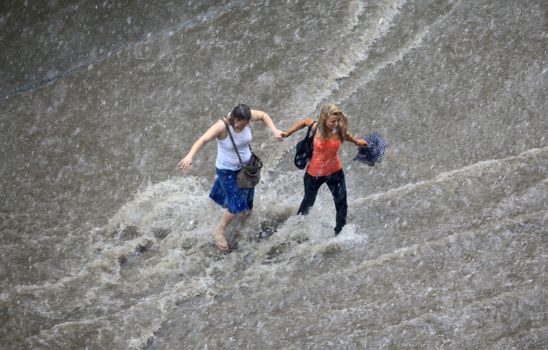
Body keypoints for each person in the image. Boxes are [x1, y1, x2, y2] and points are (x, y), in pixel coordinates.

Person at [179, 104, 283, 251]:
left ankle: (240, 227)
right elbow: (202, 140)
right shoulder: (221, 126)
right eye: (242, 123)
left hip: (246, 169)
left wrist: (274, 131)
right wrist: (189, 156)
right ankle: (219, 230)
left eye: (248, 123)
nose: (246, 126)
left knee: (248, 207)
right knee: (235, 206)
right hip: (226, 171)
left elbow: (264, 116)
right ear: (235, 118)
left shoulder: (247, 116)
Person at [282, 103, 367, 235]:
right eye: (333, 121)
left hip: (335, 172)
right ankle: (295, 227)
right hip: (313, 175)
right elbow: (305, 122)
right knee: (308, 202)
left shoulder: (339, 129)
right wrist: (288, 132)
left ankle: (339, 232)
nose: (335, 124)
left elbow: (346, 135)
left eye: (338, 120)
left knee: (341, 203)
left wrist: (357, 142)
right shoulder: (315, 127)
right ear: (324, 118)